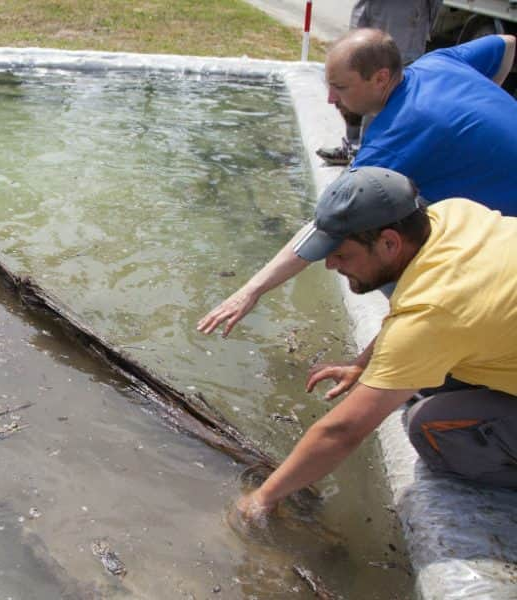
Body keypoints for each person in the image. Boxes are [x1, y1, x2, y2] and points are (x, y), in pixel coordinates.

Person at [237, 166, 517, 524]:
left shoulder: (434, 312)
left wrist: (263, 498)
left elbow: (342, 432)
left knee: (431, 427)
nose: (330, 264)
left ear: (389, 243)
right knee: (428, 380)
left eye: (341, 253)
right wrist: (364, 361)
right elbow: (416, 315)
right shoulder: (452, 215)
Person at [198, 29, 517, 337]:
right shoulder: (438, 64)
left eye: (340, 87)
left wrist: (252, 290)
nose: (330, 98)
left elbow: (326, 224)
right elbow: (505, 44)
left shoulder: (393, 140)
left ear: (380, 78)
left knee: (387, 250)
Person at [316, 0, 443, 165]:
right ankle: (353, 146)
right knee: (350, 77)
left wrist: (419, 26)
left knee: (381, 93)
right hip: (371, 9)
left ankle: (369, 158)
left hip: (403, 22)